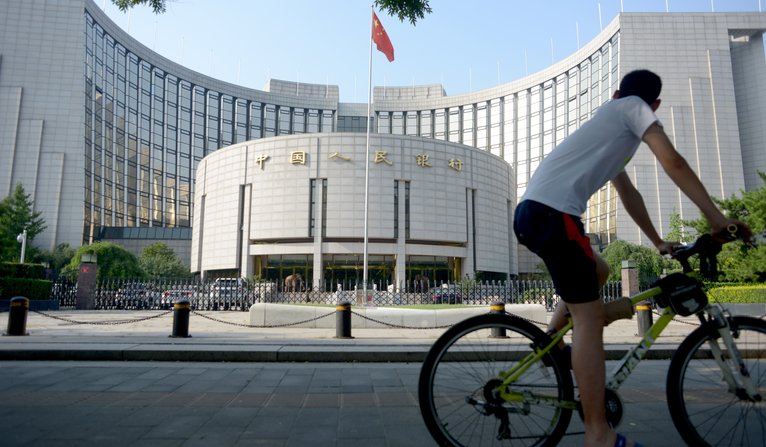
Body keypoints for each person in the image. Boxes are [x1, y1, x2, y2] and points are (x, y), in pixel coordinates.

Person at [513, 69, 751, 447]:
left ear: (616, 91)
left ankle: (554, 342)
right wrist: (717, 219)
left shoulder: (612, 125)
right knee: (589, 320)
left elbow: (629, 195)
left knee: (600, 269)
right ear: (653, 104)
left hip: (537, 214)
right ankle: (598, 435)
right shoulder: (634, 109)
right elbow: (673, 162)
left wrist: (658, 241)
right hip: (553, 215)